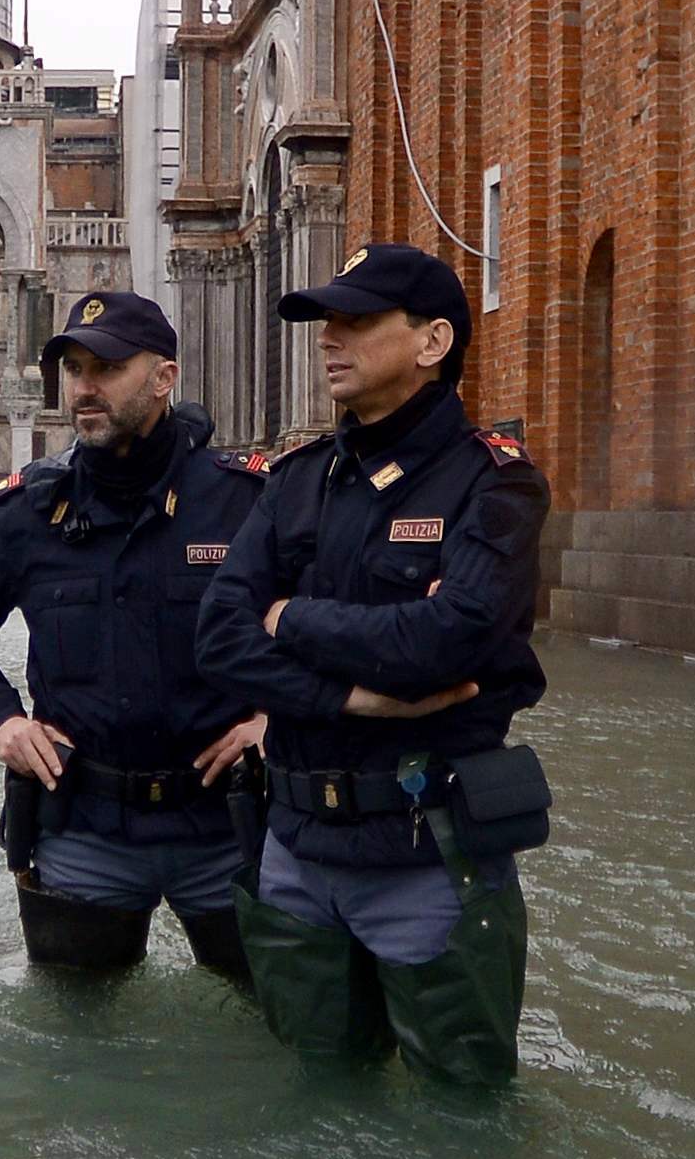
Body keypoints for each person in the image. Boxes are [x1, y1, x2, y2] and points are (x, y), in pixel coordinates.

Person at [195, 244, 554, 1083]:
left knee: (463, 1118)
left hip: (426, 858)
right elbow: (217, 636)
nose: (330, 338)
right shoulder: (295, 481)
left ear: (432, 342)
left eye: (356, 320)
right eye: (327, 322)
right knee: (317, 1099)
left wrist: (288, 615)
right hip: (294, 852)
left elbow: (446, 641)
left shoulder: (493, 484)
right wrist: (349, 696)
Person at [0, 289, 272, 982]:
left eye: (106, 367)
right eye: (74, 369)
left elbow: (313, 615)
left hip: (226, 826)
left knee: (269, 1022)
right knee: (72, 1041)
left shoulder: (243, 501)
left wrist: (275, 719)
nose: (84, 387)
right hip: (86, 828)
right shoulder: (30, 510)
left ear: (164, 377)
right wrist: (1, 722)